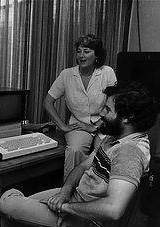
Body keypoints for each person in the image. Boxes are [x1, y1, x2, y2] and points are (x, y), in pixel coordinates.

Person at [0, 81, 157, 227]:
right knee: (14, 205)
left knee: (7, 201)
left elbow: (113, 209)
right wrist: (65, 192)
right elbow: (83, 166)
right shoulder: (114, 136)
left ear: (127, 117)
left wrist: (66, 208)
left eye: (107, 109)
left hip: (83, 220)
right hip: (74, 198)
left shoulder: (130, 152)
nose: (101, 113)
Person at [43, 34, 117, 180]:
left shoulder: (107, 72)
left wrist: (95, 126)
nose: (81, 55)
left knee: (107, 150)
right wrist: (63, 126)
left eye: (87, 51)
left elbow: (115, 104)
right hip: (78, 124)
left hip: (104, 123)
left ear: (96, 55)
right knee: (75, 150)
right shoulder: (67, 75)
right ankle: (68, 191)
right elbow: (47, 102)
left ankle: (94, 191)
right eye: (79, 51)